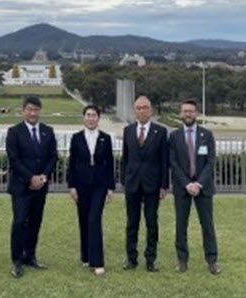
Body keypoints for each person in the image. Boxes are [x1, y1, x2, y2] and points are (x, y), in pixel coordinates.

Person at [6, 95, 58, 278]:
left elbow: (53, 157)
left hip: (41, 187)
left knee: (35, 222)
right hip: (21, 187)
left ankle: (30, 255)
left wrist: (42, 177)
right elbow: (14, 159)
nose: (33, 113)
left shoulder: (47, 131)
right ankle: (17, 260)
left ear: (40, 111)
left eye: (36, 110)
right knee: (20, 222)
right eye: (29, 109)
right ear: (23, 111)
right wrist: (30, 178)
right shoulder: (14, 132)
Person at [169, 99, 220, 275]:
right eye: (185, 111)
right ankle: (182, 260)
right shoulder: (174, 136)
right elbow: (173, 163)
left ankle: (212, 260)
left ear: (196, 113)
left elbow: (210, 162)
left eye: (191, 111)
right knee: (181, 225)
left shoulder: (207, 135)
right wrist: (187, 183)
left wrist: (198, 184)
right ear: (181, 113)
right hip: (182, 187)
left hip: (203, 188)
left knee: (207, 225)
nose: (188, 114)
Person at [121, 96, 169, 272]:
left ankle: (151, 260)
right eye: (139, 108)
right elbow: (125, 159)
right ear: (135, 111)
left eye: (145, 108)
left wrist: (164, 185)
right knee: (132, 223)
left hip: (152, 185)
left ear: (151, 110)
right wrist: (124, 180)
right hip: (132, 184)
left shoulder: (160, 132)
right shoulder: (128, 131)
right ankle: (131, 259)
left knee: (151, 223)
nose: (142, 111)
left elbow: (164, 161)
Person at [67, 105, 114, 276]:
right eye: (88, 115)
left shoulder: (105, 138)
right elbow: (71, 163)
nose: (91, 118)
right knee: (84, 219)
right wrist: (71, 186)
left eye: (94, 115)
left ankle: (97, 261)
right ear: (83, 118)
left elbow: (110, 164)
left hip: (99, 185)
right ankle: (86, 256)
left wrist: (110, 187)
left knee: (94, 219)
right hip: (81, 184)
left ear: (98, 118)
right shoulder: (76, 138)